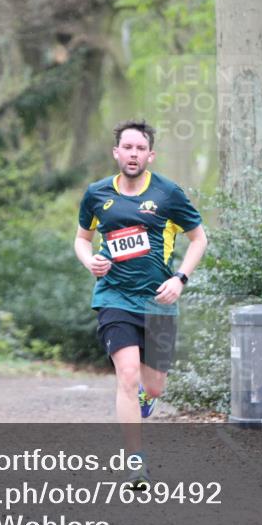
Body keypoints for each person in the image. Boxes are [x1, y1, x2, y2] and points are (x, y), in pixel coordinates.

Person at [74, 119, 207, 486]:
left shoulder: (168, 193)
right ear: (116, 152)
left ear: (151, 155)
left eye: (140, 148)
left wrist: (180, 279)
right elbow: (82, 239)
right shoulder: (97, 194)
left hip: (158, 300)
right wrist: (90, 261)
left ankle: (149, 398)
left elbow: (199, 239)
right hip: (114, 296)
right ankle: (135, 461)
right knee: (128, 376)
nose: (133, 154)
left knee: (154, 386)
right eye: (127, 147)